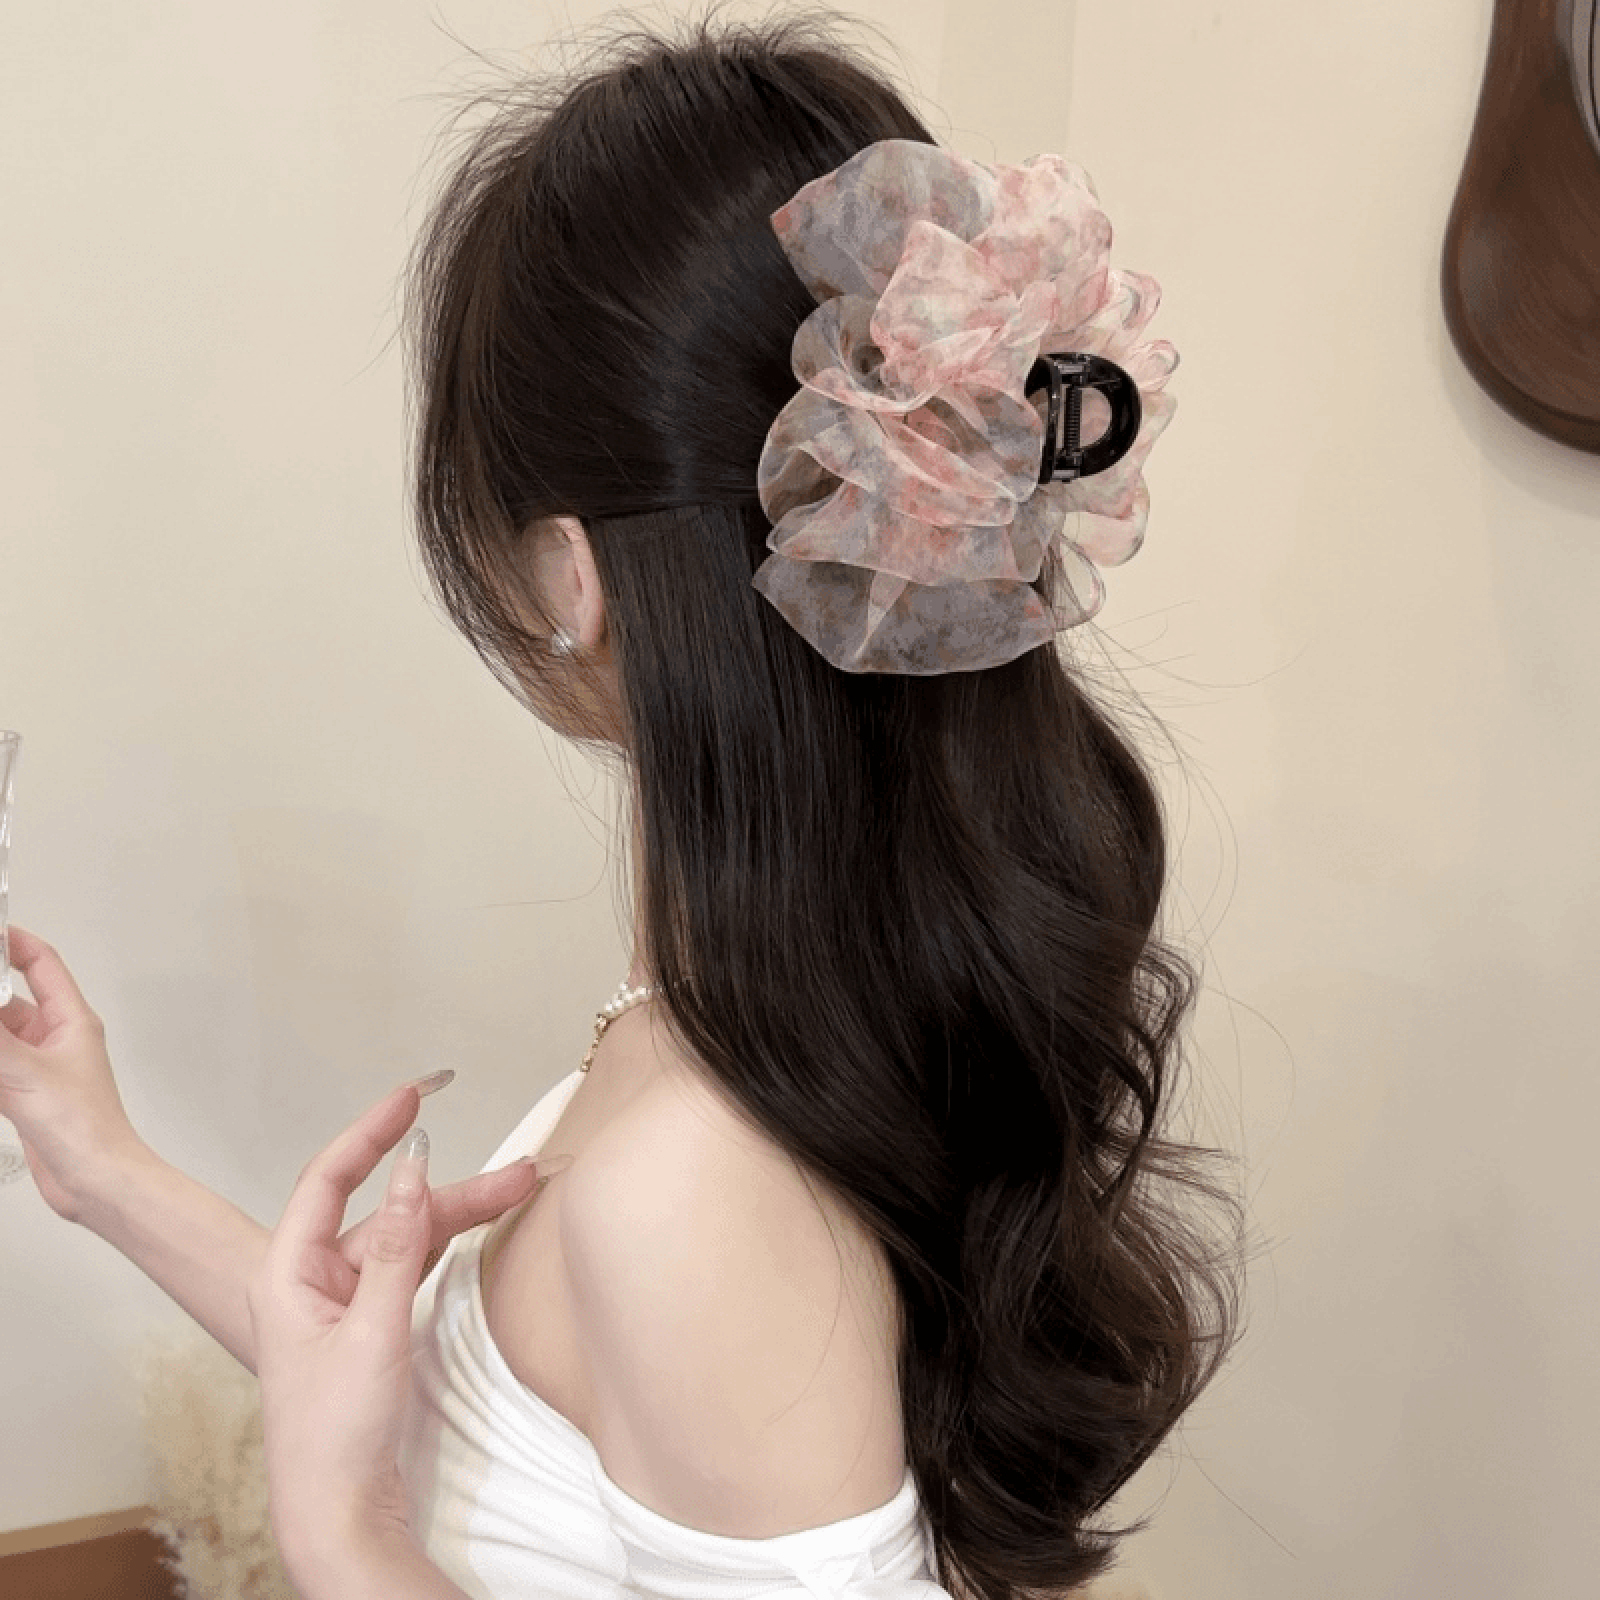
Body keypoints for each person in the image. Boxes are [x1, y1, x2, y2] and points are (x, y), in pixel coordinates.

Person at [0, 6, 1240, 1598]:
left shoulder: (695, 1183)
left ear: (567, 576)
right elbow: (482, 1438)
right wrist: (103, 1168)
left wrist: (340, 1537)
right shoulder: (777, 999)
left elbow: (440, 1463)